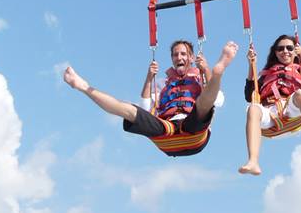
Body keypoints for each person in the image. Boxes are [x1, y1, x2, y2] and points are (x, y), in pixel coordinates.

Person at [64, 39, 238, 158]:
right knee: (129, 110)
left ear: (191, 58)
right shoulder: (162, 83)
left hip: (194, 131)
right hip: (166, 130)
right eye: (176, 55)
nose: (179, 57)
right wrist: (149, 78)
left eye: (184, 54)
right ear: (172, 58)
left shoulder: (200, 77)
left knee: (202, 104)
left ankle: (219, 71)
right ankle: (83, 86)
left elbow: (218, 100)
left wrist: (207, 70)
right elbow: (146, 108)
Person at [239, 34, 301, 176]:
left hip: (292, 111)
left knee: (300, 94)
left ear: (295, 51)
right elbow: (249, 96)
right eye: (280, 49)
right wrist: (251, 66)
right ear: (275, 52)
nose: (285, 51)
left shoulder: (300, 70)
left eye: (289, 48)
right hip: (271, 114)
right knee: (253, 108)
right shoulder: (267, 75)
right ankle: (253, 161)